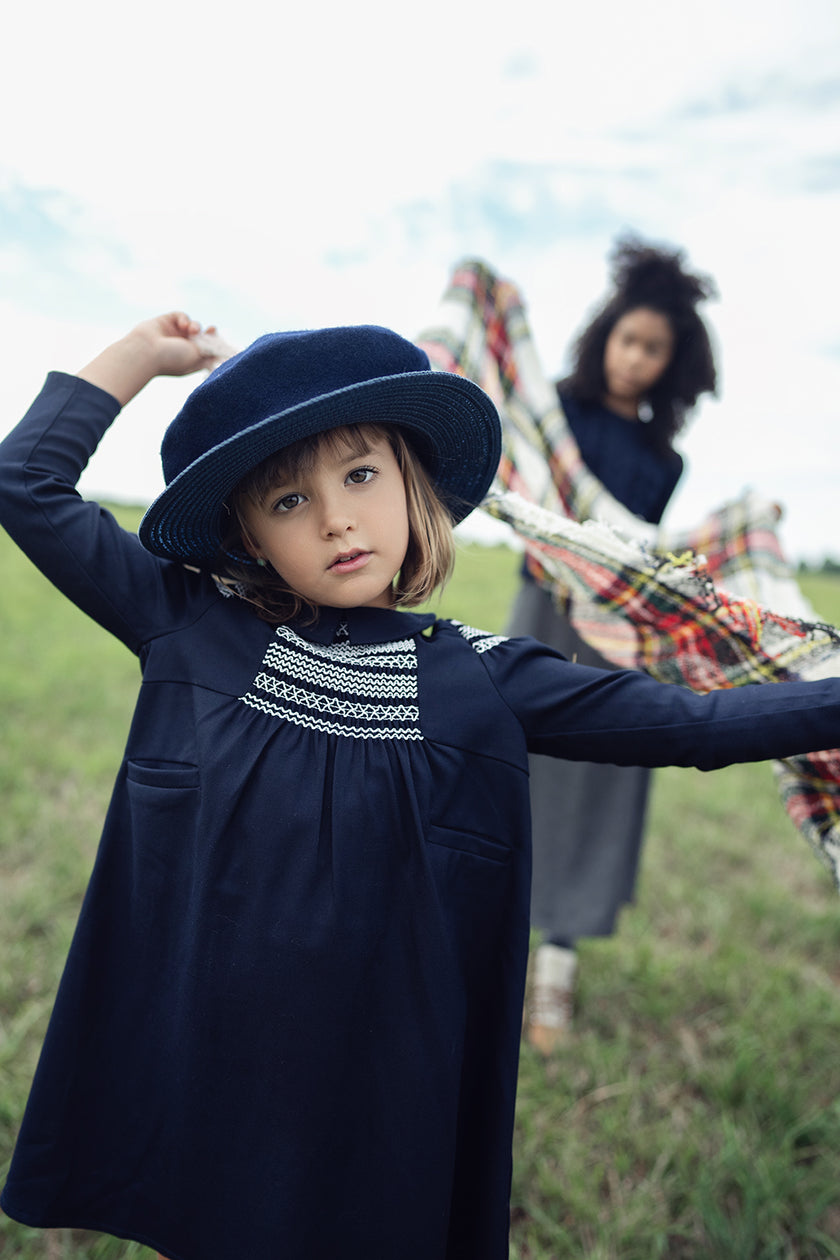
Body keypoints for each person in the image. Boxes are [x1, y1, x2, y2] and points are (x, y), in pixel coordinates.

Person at [1, 311, 838, 1260]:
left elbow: (696, 726)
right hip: (207, 1064)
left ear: (414, 483)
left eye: (359, 475)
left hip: (371, 1091)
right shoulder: (187, 627)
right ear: (245, 536)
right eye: (286, 501)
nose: (334, 518)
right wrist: (143, 358)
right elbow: (24, 482)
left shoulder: (485, 678)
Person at [509, 236, 719, 1054]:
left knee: (597, 784)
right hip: (542, 610)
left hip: (616, 635)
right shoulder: (552, 415)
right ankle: (475, 938)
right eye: (627, 339)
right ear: (605, 338)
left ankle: (553, 974)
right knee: (508, 765)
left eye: (653, 349)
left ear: (673, 363)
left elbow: (640, 550)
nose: (635, 358)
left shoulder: (665, 461)